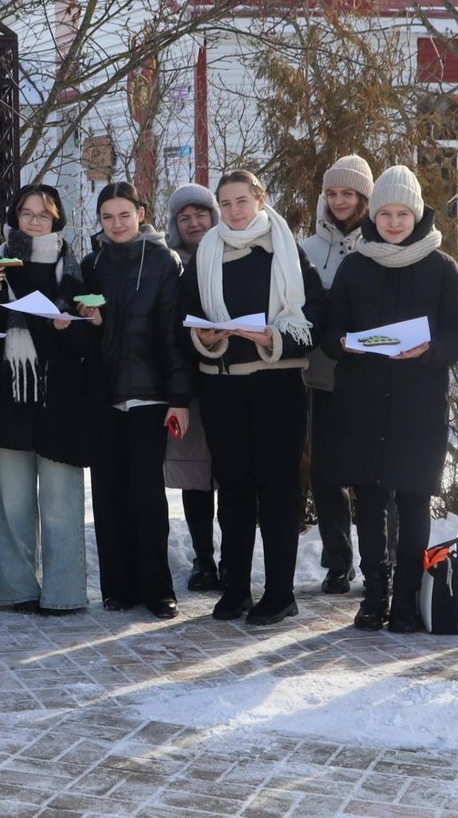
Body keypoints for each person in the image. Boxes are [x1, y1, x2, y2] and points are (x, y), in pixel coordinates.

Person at [317, 165, 458, 634]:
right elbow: (328, 330)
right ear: (374, 215)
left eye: (403, 213)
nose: (395, 222)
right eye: (386, 213)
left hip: (418, 404)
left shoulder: (442, 268)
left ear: (417, 213)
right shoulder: (355, 265)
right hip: (361, 402)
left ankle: (404, 597)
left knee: (414, 501)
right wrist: (342, 342)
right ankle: (374, 593)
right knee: (370, 500)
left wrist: (432, 351)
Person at [180, 171, 326, 625]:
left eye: (242, 201)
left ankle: (281, 592)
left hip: (276, 384)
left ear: (261, 200)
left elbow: (314, 318)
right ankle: (237, 588)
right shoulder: (205, 255)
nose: (234, 211)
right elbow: (185, 321)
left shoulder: (286, 251)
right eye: (225, 203)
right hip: (222, 385)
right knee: (234, 489)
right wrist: (204, 336)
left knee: (279, 489)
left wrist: (275, 337)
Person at [72, 182, 192, 620]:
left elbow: (173, 336)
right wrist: (94, 323)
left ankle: (157, 589)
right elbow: (85, 333)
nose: (117, 224)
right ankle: (117, 587)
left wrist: (178, 398)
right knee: (107, 494)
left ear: (141, 214)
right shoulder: (92, 263)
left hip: (149, 396)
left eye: (124, 215)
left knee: (146, 494)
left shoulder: (163, 261)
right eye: (107, 217)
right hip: (104, 396)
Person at [0, 185, 90, 616]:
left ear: (57, 219)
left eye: (43, 214)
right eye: (26, 213)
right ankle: (15, 589)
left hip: (61, 395)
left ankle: (64, 593)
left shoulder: (74, 266)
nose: (34, 221)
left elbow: (91, 331)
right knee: (12, 502)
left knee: (62, 502)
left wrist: (74, 328)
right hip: (11, 392)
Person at [300, 155, 379, 596]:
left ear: (364, 197)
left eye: (348, 193)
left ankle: (377, 562)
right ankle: (337, 563)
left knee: (370, 476)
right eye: (332, 193)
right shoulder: (308, 250)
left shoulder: (379, 243)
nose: (339, 201)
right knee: (326, 475)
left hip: (369, 378)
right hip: (321, 377)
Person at [162, 184, 221, 593]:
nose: (194, 222)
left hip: (234, 381)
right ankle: (204, 559)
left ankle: (233, 558)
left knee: (233, 477)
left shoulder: (231, 256)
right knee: (195, 478)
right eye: (184, 217)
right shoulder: (171, 268)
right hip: (188, 388)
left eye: (201, 214)